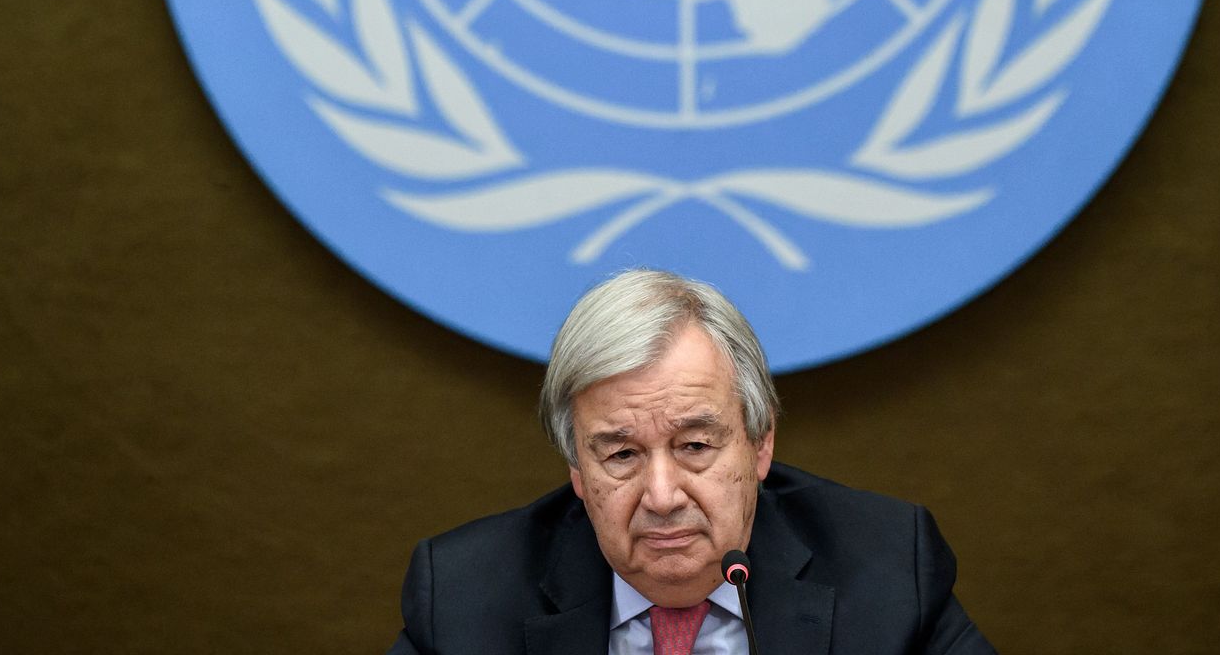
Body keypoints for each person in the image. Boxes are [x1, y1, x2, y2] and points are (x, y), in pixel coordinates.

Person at [387, 268, 995, 654]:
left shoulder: (888, 570)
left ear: (760, 445)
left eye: (695, 447)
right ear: (577, 470)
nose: (662, 495)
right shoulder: (465, 598)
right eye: (621, 454)